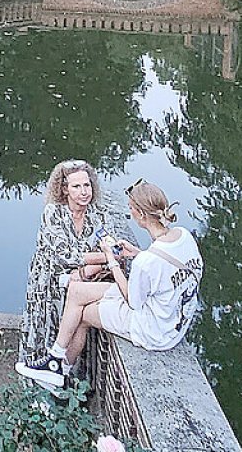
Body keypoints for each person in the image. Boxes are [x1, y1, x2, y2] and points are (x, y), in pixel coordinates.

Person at [18, 182, 202, 389]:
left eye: (131, 208)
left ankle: (60, 370)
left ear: (141, 215)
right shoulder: (184, 236)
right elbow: (165, 271)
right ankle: (55, 359)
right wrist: (136, 253)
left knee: (83, 315)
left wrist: (111, 259)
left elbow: (133, 301)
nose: (129, 212)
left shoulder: (147, 262)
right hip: (173, 316)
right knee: (77, 292)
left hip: (155, 329)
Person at [17, 160, 129, 370]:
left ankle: (65, 382)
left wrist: (92, 267)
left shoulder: (99, 215)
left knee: (77, 327)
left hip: (81, 283)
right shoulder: (53, 213)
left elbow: (116, 252)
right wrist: (102, 259)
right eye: (76, 186)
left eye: (87, 185)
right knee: (46, 329)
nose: (83, 192)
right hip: (49, 283)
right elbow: (64, 255)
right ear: (64, 189)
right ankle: (35, 383)